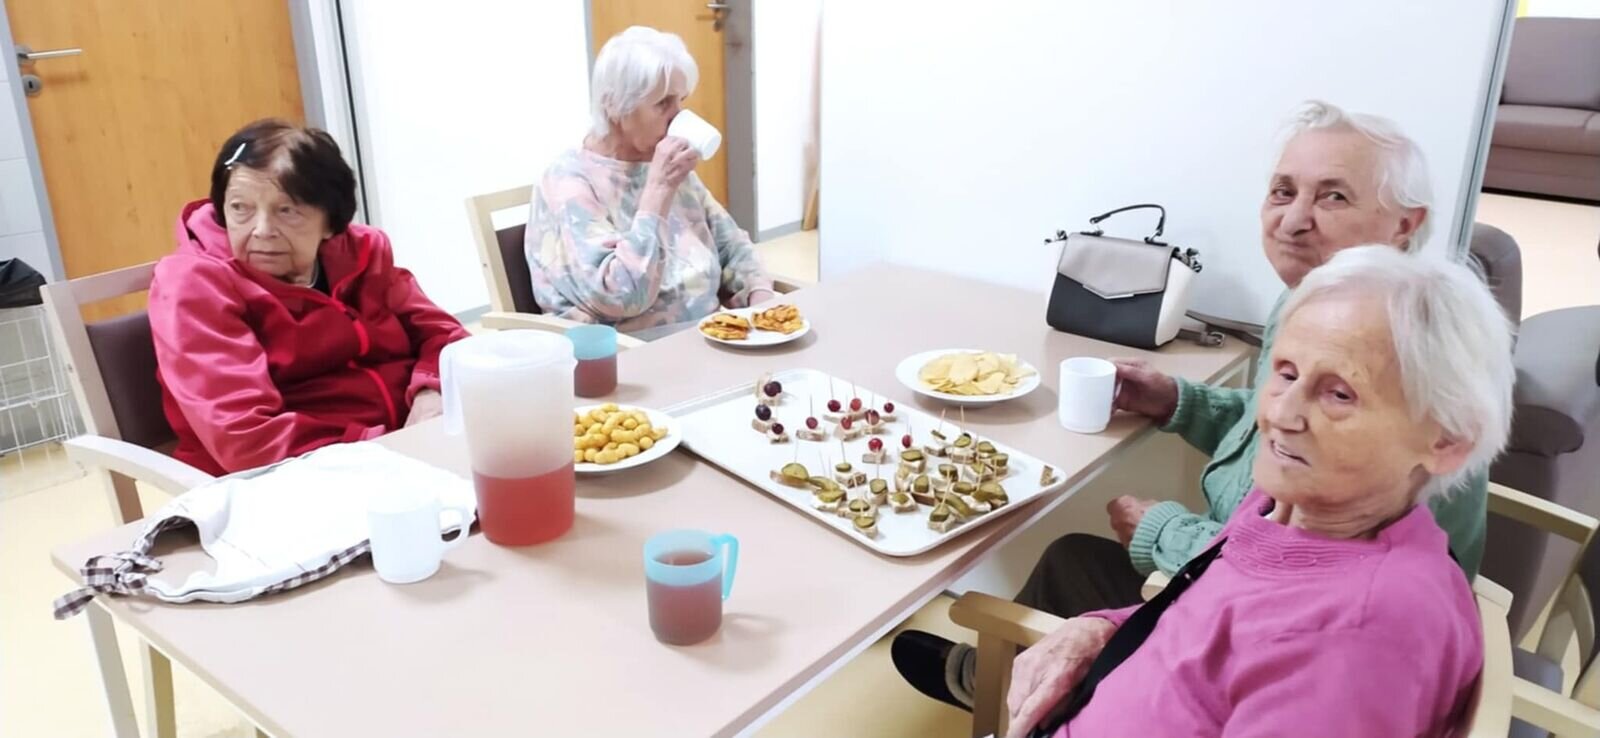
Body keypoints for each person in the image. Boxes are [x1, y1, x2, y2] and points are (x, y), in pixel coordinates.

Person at [894, 100, 1490, 709]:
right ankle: (994, 679)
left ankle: (1000, 686)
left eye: (1333, 197)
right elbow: (1270, 426)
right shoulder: (1322, 305)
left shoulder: (1406, 352)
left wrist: (1166, 532)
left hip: (1257, 621)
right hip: (1252, 594)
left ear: (1405, 224)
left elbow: (1290, 575)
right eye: (1283, 192)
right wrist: (1178, 400)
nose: (1294, 220)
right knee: (1070, 559)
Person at [1003, 246, 1513, 737]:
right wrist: (1105, 630)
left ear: (1446, 441)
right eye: (1285, 373)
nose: (1281, 414)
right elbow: (1196, 622)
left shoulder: (1357, 636)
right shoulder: (1286, 508)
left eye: (1340, 394)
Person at [149, 119, 469, 475]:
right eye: (240, 208)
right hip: (291, 475)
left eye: (286, 210)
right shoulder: (195, 285)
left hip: (410, 447)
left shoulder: (362, 255)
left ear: (331, 222)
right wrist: (390, 448)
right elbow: (248, 440)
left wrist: (431, 394)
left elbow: (447, 338)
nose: (262, 231)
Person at [524, 26, 776, 339]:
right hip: (629, 354)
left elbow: (731, 246)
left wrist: (761, 300)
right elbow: (621, 297)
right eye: (663, 104)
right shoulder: (569, 181)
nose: (677, 116)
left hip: (709, 338)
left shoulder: (662, 164)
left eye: (681, 101)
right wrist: (657, 192)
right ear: (615, 105)